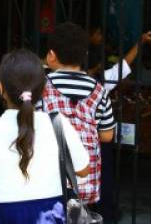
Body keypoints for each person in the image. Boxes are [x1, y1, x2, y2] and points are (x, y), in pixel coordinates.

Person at [0, 49, 89, 224]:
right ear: (43, 90)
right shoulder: (59, 124)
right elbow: (83, 169)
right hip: (53, 216)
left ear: (0, 88)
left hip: (8, 218)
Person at [37, 22, 115, 208]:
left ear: (51, 55)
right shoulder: (99, 90)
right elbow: (107, 135)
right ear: (85, 56)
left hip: (48, 181)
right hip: (85, 181)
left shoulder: (40, 87)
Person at [88, 26, 151, 91]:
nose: (101, 37)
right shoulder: (89, 54)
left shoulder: (99, 49)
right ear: (90, 36)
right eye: (98, 34)